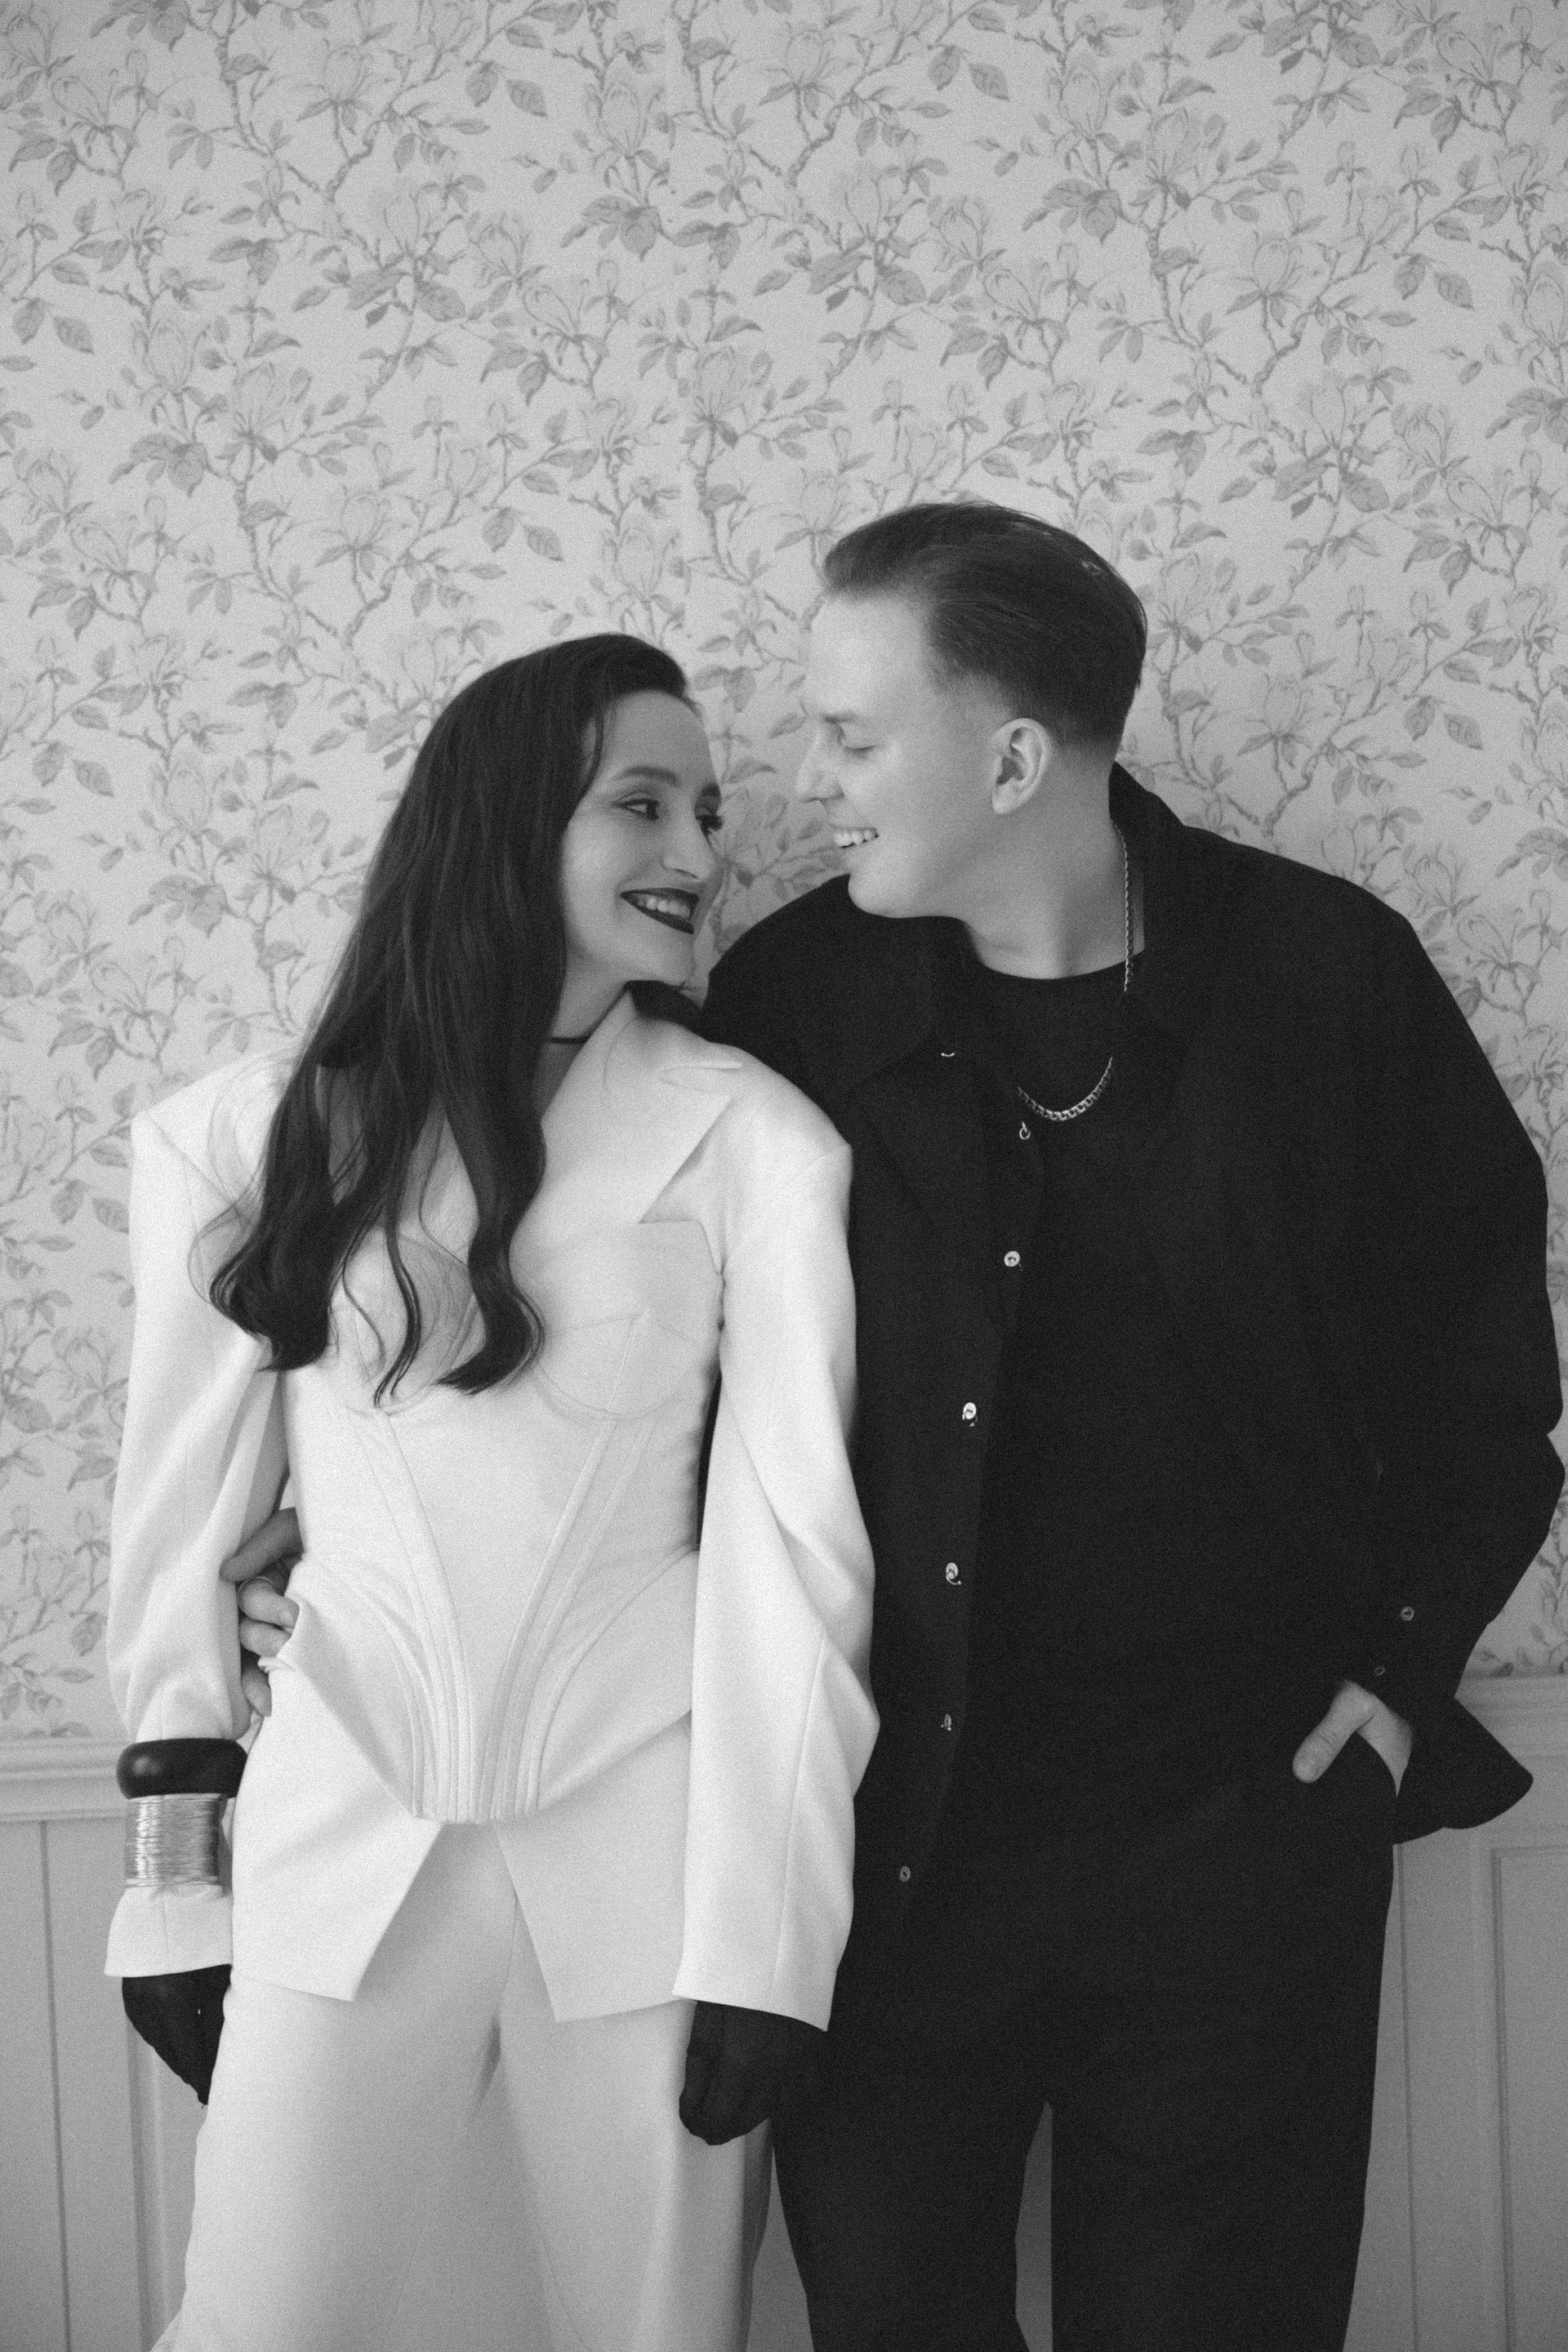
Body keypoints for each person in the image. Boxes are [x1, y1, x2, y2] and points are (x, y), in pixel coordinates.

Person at [237, 502, 1562, 2352]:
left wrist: (1404, 1675)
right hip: (885, 1857)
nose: (806, 789)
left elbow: (1485, 1373)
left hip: (1243, 1841)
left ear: (1011, 759)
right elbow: (594, 1297)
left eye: (853, 739)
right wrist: (346, 1528)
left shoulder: (1324, 976)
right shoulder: (790, 1005)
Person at [105, 635, 878, 2352]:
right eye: (642, 805)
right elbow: (177, 1530)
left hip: (652, 1879)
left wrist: (771, 1947)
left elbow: (794, 1562)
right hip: (335, 1845)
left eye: (708, 812)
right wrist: (168, 1888)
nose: (698, 852)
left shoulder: (755, 1143)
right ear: (508, 823)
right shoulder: (249, 1140)